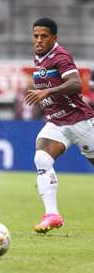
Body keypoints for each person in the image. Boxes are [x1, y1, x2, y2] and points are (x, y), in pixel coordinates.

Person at [26, 18, 94, 233]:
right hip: (57, 122)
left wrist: (48, 91)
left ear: (54, 38)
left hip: (80, 121)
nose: (38, 40)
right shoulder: (40, 57)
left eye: (44, 36)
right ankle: (52, 215)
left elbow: (75, 83)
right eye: (36, 36)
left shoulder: (60, 56)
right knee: (42, 157)